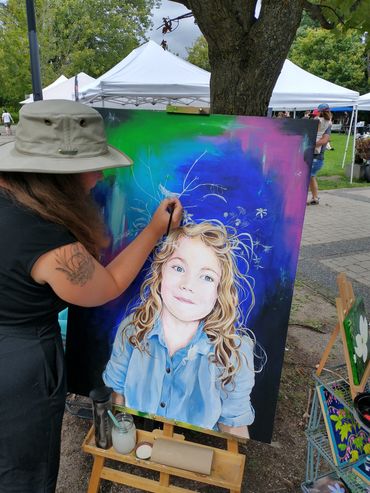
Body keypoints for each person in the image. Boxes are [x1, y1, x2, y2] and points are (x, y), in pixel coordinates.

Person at [0, 99, 182, 493]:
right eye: (92, 165)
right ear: (58, 175)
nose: (101, 175)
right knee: (20, 472)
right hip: (17, 371)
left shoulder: (10, 195)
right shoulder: (49, 241)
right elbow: (108, 287)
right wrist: (154, 231)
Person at [103, 221, 263, 439]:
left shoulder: (233, 352)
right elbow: (117, 395)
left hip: (198, 454)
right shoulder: (132, 330)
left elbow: (233, 426)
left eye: (207, 277)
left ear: (220, 291)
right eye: (178, 268)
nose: (188, 285)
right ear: (160, 273)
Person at [307, 103, 332, 205]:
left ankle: (314, 197)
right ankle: (315, 197)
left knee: (309, 177)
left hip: (315, 155)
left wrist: (309, 145)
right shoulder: (328, 123)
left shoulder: (317, 121)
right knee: (311, 177)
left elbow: (323, 140)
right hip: (317, 154)